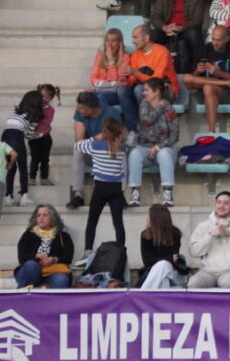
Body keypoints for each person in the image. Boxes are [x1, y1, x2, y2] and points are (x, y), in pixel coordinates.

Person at [74, 117, 127, 264]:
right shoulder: (122, 148)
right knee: (118, 223)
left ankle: (87, 252)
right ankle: (121, 252)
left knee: (92, 221)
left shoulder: (95, 146)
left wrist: (94, 138)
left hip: (101, 187)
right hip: (116, 188)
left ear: (104, 131)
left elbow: (77, 146)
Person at [66, 90, 123, 211]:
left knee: (121, 151)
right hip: (92, 151)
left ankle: (120, 194)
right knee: (78, 150)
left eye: (81, 108)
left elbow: (117, 137)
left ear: (90, 109)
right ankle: (78, 195)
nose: (78, 110)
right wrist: (96, 139)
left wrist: (102, 141)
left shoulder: (112, 113)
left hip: (108, 152)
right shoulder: (80, 113)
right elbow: (79, 141)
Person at [127, 77, 179, 207]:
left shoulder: (169, 108)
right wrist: (160, 107)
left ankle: (168, 193)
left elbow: (174, 135)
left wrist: (158, 147)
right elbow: (146, 120)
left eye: (146, 90)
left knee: (164, 154)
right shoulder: (144, 105)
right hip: (144, 147)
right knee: (134, 154)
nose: (143, 93)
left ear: (156, 92)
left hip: (165, 148)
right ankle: (135, 193)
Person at [183, 25, 230, 133]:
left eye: (218, 40)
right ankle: (227, 83)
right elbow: (192, 77)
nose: (214, 43)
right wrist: (198, 71)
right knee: (186, 78)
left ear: (226, 39)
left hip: (229, 94)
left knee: (208, 87)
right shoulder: (205, 49)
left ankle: (211, 131)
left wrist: (218, 73)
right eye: (213, 39)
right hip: (204, 92)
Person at [188, 190, 230, 288]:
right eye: (219, 202)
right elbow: (194, 252)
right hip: (207, 270)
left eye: (226, 203)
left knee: (228, 284)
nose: (221, 206)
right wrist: (210, 235)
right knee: (193, 284)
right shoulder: (203, 226)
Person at [150, 0, 204, 77]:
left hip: (185, 29)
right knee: (153, 36)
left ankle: (196, 70)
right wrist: (164, 27)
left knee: (194, 35)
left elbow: (198, 20)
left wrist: (181, 28)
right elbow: (155, 16)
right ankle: (153, 71)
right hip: (167, 29)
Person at [121, 23, 180, 115]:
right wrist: (127, 82)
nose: (132, 41)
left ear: (146, 38)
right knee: (123, 90)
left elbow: (156, 81)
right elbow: (133, 79)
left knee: (139, 89)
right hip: (146, 88)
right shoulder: (136, 54)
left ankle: (149, 119)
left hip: (166, 89)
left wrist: (136, 73)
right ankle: (132, 123)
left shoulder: (162, 52)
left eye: (135, 37)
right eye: (132, 38)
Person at [13, 204, 73, 288]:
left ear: (53, 218)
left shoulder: (63, 236)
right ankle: (23, 295)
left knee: (61, 279)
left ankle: (47, 291)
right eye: (38, 215)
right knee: (31, 265)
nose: (41, 218)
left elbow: (68, 257)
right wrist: (37, 256)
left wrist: (54, 259)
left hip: (52, 272)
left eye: (45, 215)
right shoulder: (28, 234)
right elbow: (22, 256)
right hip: (31, 272)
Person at [1, 91, 43, 209]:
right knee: (22, 167)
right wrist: (40, 135)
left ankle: (8, 196)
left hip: (5, 136)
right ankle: (24, 196)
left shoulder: (14, 110)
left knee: (10, 167)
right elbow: (28, 135)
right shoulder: (34, 116)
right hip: (17, 136)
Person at [137, 205, 187, 289]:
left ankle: (144, 292)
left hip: (173, 270)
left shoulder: (175, 233)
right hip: (153, 271)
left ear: (156, 219)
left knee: (164, 264)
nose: (147, 218)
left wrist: (164, 258)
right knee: (163, 278)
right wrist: (168, 258)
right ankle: (155, 296)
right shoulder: (146, 235)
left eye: (149, 215)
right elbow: (147, 261)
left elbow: (174, 258)